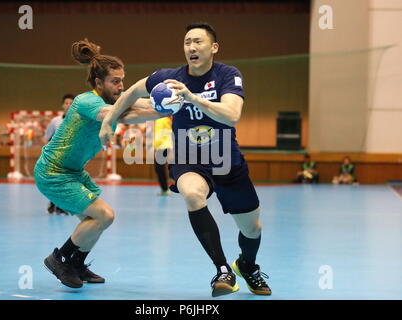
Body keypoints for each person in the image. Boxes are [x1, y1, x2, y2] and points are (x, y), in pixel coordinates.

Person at [100, 22, 271, 297]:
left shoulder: (228, 75)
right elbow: (133, 91)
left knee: (252, 228)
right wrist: (109, 120)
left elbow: (232, 114)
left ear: (213, 47)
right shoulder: (169, 78)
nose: (191, 47)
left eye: (198, 42)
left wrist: (192, 98)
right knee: (192, 195)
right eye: (187, 42)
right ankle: (222, 269)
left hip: (227, 158)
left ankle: (247, 266)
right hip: (189, 157)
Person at [35, 39, 170, 289]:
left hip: (73, 172)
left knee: (95, 220)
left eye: (122, 80)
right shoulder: (86, 102)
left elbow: (137, 104)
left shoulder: (115, 100)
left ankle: (77, 265)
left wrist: (172, 104)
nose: (121, 86)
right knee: (104, 215)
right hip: (53, 172)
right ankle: (60, 259)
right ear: (99, 83)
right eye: (115, 81)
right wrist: (164, 111)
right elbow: (121, 114)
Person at [43, 94, 75, 215]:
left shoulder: (79, 121)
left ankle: (62, 206)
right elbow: (46, 138)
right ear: (63, 105)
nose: (68, 105)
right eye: (66, 103)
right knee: (55, 180)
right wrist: (47, 153)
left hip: (71, 157)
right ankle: (53, 203)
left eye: (71, 103)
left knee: (66, 182)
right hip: (56, 157)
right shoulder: (55, 121)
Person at [153, 116, 173, 196]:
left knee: (159, 168)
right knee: (160, 168)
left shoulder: (161, 119)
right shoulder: (165, 119)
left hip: (163, 146)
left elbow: (160, 134)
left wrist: (156, 146)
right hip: (165, 145)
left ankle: (165, 189)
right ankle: (164, 189)